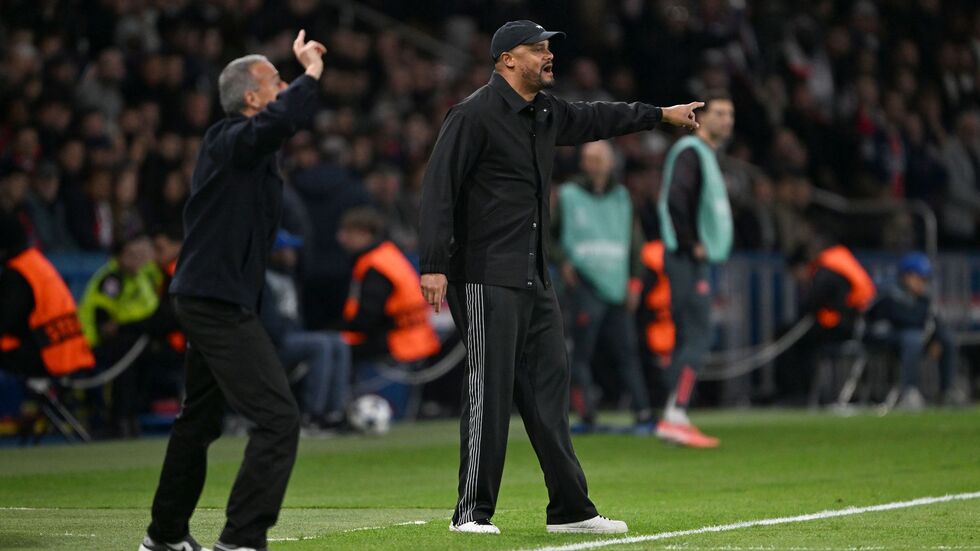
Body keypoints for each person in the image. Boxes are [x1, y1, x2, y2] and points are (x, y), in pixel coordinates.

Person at [418, 19, 703, 535]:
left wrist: (660, 115)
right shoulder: (472, 115)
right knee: (491, 391)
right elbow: (438, 189)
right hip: (484, 276)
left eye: (549, 49)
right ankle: (471, 514)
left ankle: (571, 510)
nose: (548, 56)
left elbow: (599, 118)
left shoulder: (547, 112)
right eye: (537, 49)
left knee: (550, 393)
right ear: (506, 59)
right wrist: (434, 264)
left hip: (534, 276)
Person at [139, 30, 325, 551]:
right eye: (275, 81)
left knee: (197, 422)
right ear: (251, 98)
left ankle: (164, 537)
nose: (283, 86)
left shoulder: (246, 147)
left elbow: (277, 126)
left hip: (216, 297)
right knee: (278, 418)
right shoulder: (229, 139)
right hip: (215, 303)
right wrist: (311, 75)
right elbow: (281, 121)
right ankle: (241, 540)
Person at [550, 140, 654, 433]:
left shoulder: (622, 197)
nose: (591, 164)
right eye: (587, 158)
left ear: (610, 163)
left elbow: (636, 244)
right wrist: (563, 262)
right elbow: (547, 234)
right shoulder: (569, 194)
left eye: (598, 158)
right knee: (580, 353)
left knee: (628, 352)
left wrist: (635, 281)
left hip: (618, 286)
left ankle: (643, 411)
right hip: (584, 283)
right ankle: (586, 415)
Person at [655, 92, 735, 448]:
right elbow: (677, 198)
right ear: (702, 117)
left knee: (691, 335)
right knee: (696, 335)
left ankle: (674, 413)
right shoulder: (691, 152)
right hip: (687, 258)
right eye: (718, 113)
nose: (726, 119)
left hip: (692, 259)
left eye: (730, 114)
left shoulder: (705, 156)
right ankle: (675, 413)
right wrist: (690, 243)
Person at [260, 229, 351, 431]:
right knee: (320, 345)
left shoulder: (289, 277)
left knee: (339, 341)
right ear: (273, 253)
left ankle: (334, 412)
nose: (292, 254)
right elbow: (268, 323)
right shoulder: (262, 280)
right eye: (286, 250)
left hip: (293, 336)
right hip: (272, 344)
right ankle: (312, 414)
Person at [78, 232, 161, 438]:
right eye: (131, 255)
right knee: (126, 357)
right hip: (95, 345)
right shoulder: (111, 280)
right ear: (119, 257)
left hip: (135, 340)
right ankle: (120, 420)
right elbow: (104, 326)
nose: (138, 260)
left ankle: (133, 415)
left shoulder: (144, 276)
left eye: (141, 255)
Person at [338, 207, 440, 365]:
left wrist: (338, 329)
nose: (341, 238)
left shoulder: (375, 266)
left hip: (397, 343)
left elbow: (368, 317)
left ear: (365, 234)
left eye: (348, 233)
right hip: (418, 338)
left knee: (331, 349)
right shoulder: (388, 255)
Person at [779, 239, 876, 403]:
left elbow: (811, 303)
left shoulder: (825, 271)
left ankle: (797, 394)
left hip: (842, 326)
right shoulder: (838, 263)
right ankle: (804, 393)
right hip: (854, 324)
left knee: (790, 339)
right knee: (797, 337)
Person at [0, 213, 94, 379]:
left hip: (44, 356)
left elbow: (6, 318)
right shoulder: (36, 262)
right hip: (67, 349)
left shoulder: (17, 273)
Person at [866, 253, 961, 409]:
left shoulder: (922, 299)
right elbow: (902, 320)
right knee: (913, 338)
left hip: (911, 340)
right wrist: (926, 332)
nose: (922, 283)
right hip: (885, 338)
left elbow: (933, 321)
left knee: (946, 339)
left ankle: (947, 391)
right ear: (907, 276)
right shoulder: (890, 294)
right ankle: (909, 392)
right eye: (919, 278)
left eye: (924, 280)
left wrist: (935, 338)